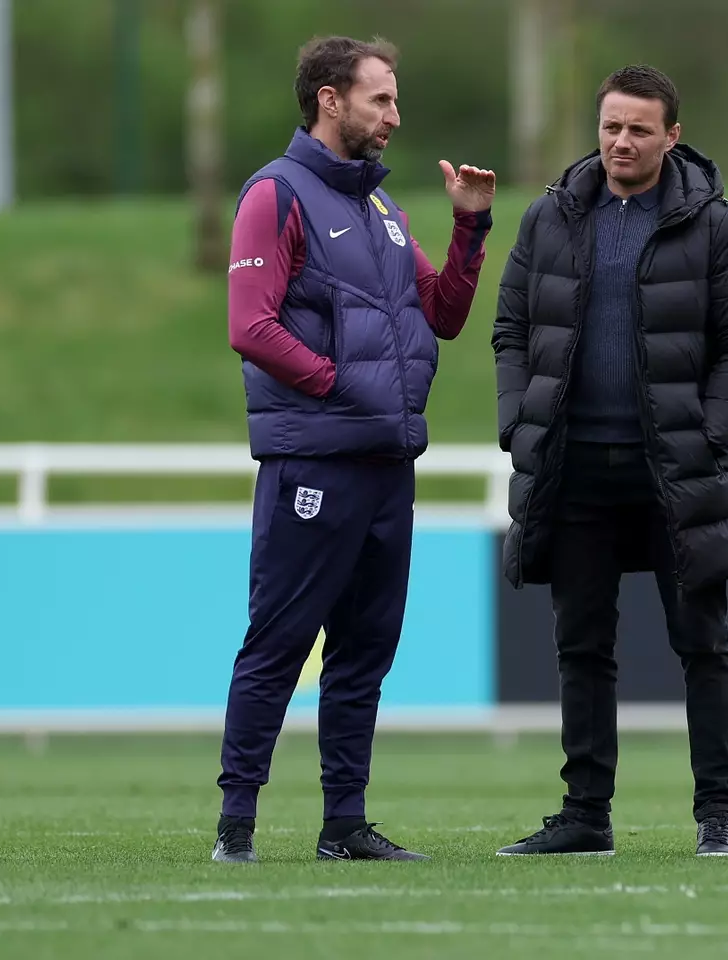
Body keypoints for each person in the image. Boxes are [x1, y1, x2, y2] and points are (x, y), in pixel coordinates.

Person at [212, 35, 495, 863]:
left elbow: (439, 314)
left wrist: (469, 232)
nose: (394, 116)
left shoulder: (381, 208)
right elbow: (249, 326)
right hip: (315, 463)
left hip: (385, 464)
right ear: (329, 100)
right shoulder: (275, 193)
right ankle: (237, 824)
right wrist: (341, 386)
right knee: (279, 641)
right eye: (380, 99)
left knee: (365, 652)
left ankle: (345, 824)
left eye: (395, 100)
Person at [491, 64, 728, 858]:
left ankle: (717, 814)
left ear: (671, 137)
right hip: (573, 469)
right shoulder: (550, 218)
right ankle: (586, 815)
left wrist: (709, 433)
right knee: (581, 645)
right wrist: (519, 425)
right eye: (611, 125)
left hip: (675, 471)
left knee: (702, 644)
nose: (621, 141)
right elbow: (511, 329)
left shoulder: (720, 227)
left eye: (639, 128)